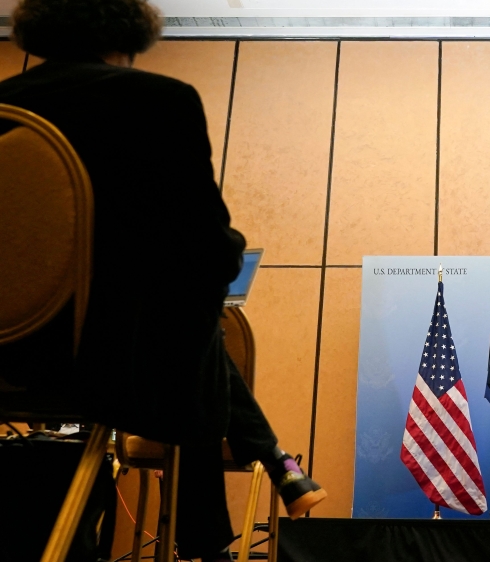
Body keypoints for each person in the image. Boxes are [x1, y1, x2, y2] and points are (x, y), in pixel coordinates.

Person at [0, 0, 324, 560]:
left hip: (10, 353)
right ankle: (215, 533)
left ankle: (250, 497)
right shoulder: (159, 102)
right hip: (101, 362)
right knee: (198, 324)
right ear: (132, 34)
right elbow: (207, 248)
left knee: (192, 326)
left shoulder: (8, 107)